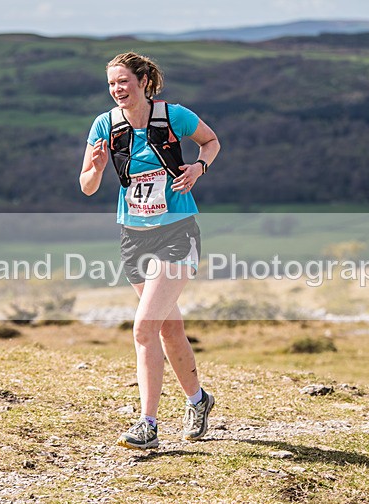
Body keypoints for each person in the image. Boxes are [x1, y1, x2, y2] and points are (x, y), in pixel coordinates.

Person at [79, 52, 220, 450]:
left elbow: (211, 142)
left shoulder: (173, 116)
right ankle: (199, 400)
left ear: (143, 81)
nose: (117, 90)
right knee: (168, 327)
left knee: (143, 327)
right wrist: (96, 167)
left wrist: (198, 167)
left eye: (123, 81)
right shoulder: (104, 125)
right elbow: (87, 186)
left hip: (177, 233)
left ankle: (147, 424)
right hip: (133, 237)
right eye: (111, 84)